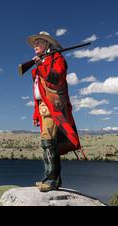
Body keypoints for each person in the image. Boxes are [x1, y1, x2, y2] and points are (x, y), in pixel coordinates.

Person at [27, 31, 82, 192]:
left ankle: (52, 180)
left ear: (47, 45)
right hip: (43, 106)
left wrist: (40, 65)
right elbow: (38, 92)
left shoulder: (57, 59)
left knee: (48, 141)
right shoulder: (40, 64)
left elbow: (55, 78)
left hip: (54, 107)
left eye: (39, 42)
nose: (35, 45)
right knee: (48, 143)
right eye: (35, 43)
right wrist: (36, 113)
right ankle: (51, 178)